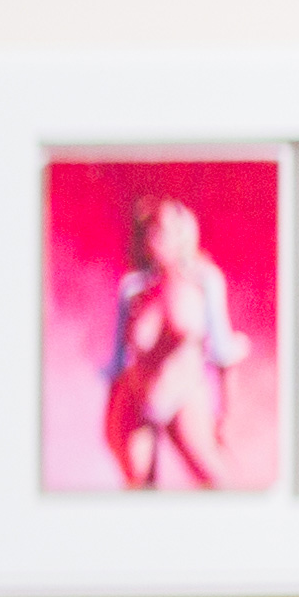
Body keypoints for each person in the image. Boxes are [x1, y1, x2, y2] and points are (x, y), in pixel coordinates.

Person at [109, 184, 253, 488]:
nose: (159, 237)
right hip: (136, 397)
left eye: (168, 229)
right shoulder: (133, 287)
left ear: (185, 232)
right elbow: (118, 360)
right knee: (137, 485)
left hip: (185, 393)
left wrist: (228, 415)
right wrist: (111, 415)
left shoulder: (205, 280)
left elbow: (223, 353)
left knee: (220, 483)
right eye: (153, 229)